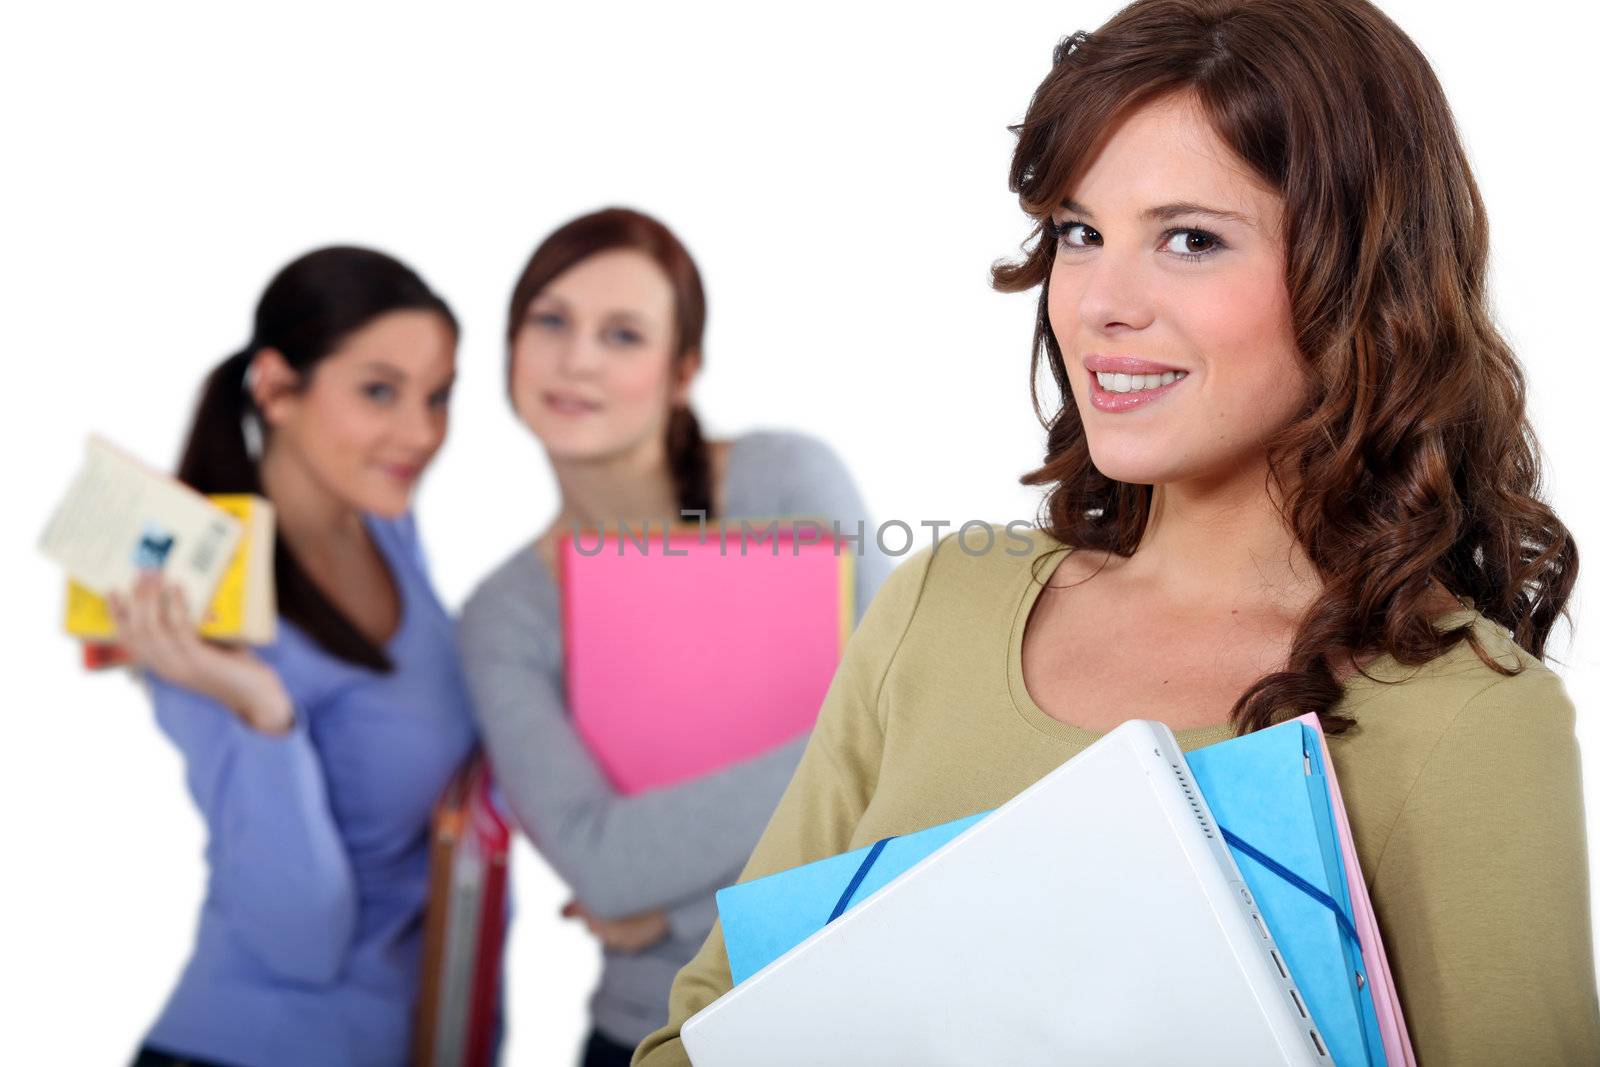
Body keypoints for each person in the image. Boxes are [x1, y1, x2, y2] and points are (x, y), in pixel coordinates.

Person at [634, 2, 1600, 1063]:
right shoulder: (941, 606)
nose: (1098, 302)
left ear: (1358, 281)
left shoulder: (1464, 716)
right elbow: (695, 1037)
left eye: (1190, 238)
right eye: (1079, 232)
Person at [456, 206, 889, 1067]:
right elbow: (603, 863)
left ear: (681, 368)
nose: (577, 357)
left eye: (622, 333)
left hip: (845, 999)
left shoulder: (787, 483)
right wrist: (823, 764)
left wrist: (678, 913)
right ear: (509, 347)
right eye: (550, 321)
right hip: (649, 1032)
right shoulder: (504, 614)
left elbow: (898, 738)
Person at [111, 247, 482, 1067]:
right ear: (277, 387)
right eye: (379, 390)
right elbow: (299, 938)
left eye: (438, 396)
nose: (421, 432)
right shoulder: (203, 605)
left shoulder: (384, 527)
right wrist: (261, 710)